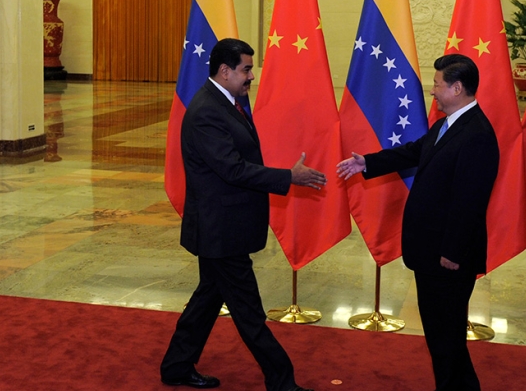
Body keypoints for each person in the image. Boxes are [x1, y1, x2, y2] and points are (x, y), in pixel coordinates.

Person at [160, 38, 324, 391]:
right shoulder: (206, 111)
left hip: (226, 227)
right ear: (225, 71)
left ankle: (175, 366)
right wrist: (288, 178)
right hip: (221, 231)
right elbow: (233, 170)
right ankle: (282, 381)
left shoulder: (228, 102)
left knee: (207, 300)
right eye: (246, 69)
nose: (251, 76)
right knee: (249, 313)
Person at [337, 54, 498, 391]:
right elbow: (413, 152)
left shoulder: (478, 134)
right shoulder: (446, 124)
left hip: (448, 257)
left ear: (457, 88)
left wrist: (452, 252)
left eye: (438, 86)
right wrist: (367, 162)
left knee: (446, 334)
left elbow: (469, 202)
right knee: (440, 334)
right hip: (430, 251)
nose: (433, 93)